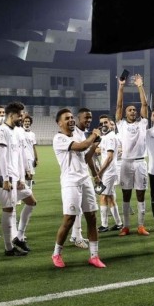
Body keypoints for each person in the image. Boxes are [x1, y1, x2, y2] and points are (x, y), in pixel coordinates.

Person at [52, 108, 105, 268]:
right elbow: (81, 147)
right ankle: (56, 253)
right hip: (70, 182)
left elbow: (87, 155)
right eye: (66, 118)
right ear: (59, 123)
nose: (71, 120)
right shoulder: (58, 138)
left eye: (71, 117)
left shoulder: (79, 134)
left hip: (85, 180)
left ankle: (94, 256)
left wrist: (95, 174)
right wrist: (94, 135)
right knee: (69, 219)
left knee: (92, 217)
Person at [0, 102, 37, 256]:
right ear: (11, 115)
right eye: (20, 115)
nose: (22, 117)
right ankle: (8, 248)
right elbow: (2, 157)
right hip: (4, 178)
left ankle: (18, 237)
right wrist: (6, 178)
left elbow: (18, 155)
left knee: (31, 202)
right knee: (9, 210)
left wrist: (22, 176)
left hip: (16, 177)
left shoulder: (17, 132)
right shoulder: (1, 131)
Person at [115, 73, 149, 236]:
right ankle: (126, 226)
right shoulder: (120, 124)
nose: (133, 111)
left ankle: (141, 226)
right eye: (130, 110)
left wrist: (140, 85)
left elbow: (144, 104)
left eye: (134, 110)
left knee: (141, 194)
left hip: (140, 162)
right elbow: (119, 106)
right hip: (126, 163)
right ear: (125, 113)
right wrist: (121, 87)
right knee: (126, 195)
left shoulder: (142, 123)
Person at [68, 107, 96, 248]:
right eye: (86, 117)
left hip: (83, 175)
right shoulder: (74, 134)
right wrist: (92, 139)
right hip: (73, 177)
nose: (89, 120)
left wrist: (95, 174)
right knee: (76, 210)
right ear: (78, 118)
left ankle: (75, 236)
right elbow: (81, 148)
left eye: (90, 117)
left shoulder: (82, 133)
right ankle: (77, 236)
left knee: (84, 209)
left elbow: (85, 158)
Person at [96, 114, 123, 232]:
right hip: (109, 171)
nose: (103, 125)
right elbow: (99, 151)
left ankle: (104, 225)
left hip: (109, 171)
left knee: (102, 196)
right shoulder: (105, 137)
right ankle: (119, 223)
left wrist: (100, 172)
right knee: (111, 198)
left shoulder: (110, 137)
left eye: (105, 122)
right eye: (101, 123)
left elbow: (110, 157)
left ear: (110, 123)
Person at [22, 113, 38, 186]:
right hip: (24, 157)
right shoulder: (20, 132)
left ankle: (29, 191)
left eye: (28, 121)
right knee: (27, 176)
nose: (27, 123)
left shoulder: (32, 134)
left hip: (31, 158)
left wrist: (36, 158)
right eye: (25, 121)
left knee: (31, 175)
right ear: (23, 122)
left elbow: (34, 147)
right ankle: (27, 193)